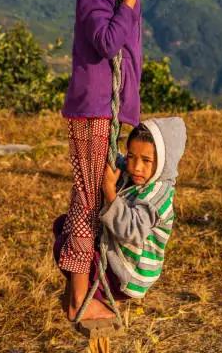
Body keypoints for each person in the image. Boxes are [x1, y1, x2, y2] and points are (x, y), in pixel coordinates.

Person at [58, 0, 168, 321]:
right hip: (92, 108)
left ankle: (89, 287)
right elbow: (106, 43)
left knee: (97, 190)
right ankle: (78, 298)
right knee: (89, 197)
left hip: (109, 108)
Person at [53, 117, 187, 313]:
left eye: (146, 160)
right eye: (132, 156)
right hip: (112, 260)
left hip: (126, 276)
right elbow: (112, 159)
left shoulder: (159, 195)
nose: (136, 166)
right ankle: (95, 292)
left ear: (164, 163)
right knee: (63, 225)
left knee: (71, 242)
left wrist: (109, 192)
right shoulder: (130, 171)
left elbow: (130, 230)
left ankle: (91, 299)